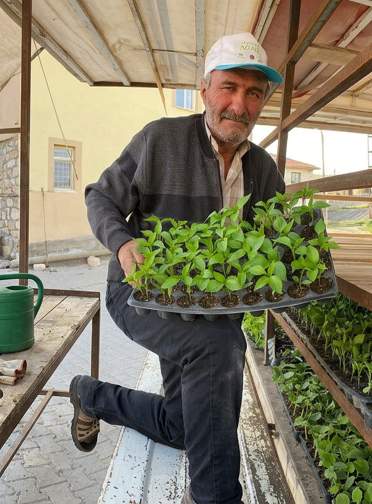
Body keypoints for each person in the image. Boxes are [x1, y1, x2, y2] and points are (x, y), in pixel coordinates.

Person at [74, 32, 285, 504]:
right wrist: (123, 243)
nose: (240, 103)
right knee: (219, 344)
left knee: (185, 426)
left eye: (254, 93)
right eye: (229, 87)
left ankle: (91, 396)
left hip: (204, 306)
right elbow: (101, 197)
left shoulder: (265, 170)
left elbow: (279, 244)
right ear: (206, 88)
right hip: (141, 294)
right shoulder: (160, 140)